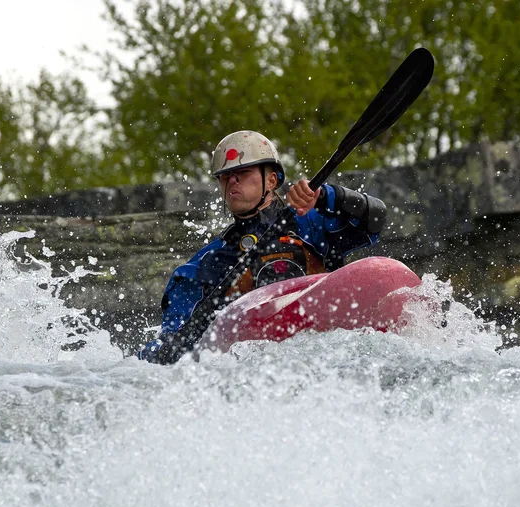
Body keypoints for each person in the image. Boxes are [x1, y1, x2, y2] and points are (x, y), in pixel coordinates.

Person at [139, 130, 386, 362]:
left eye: (243, 173)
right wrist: (159, 351)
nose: (232, 181)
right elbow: (172, 335)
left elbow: (375, 219)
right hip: (258, 367)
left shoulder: (312, 223)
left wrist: (326, 196)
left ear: (271, 180)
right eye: (225, 176)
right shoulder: (212, 260)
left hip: (329, 350)